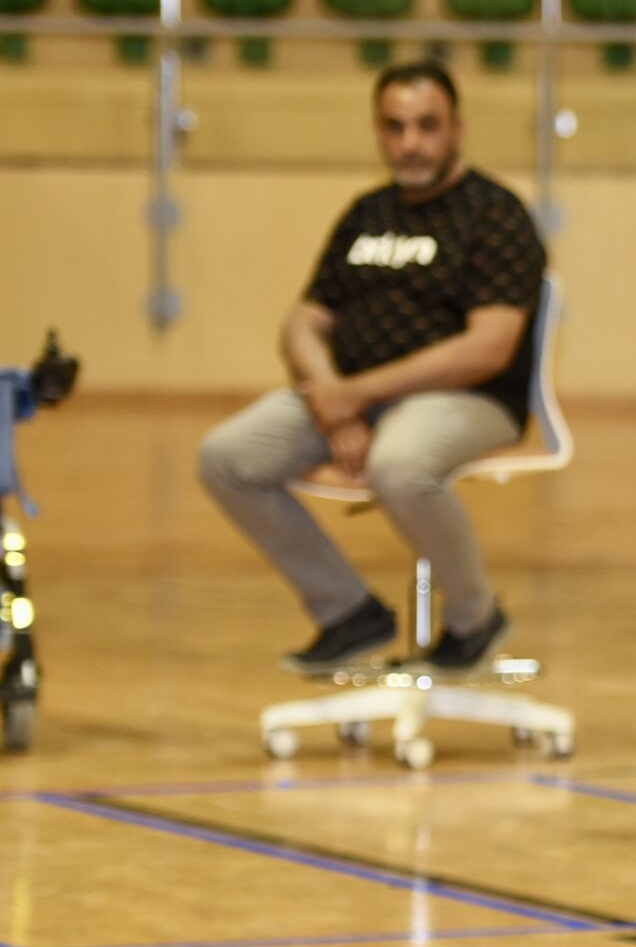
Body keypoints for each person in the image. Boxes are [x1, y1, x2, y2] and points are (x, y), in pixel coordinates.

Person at [198, 61, 545, 675]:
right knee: (227, 457)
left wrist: (352, 396)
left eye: (427, 126)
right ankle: (347, 610)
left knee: (399, 466)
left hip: (465, 398)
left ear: (457, 130)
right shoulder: (367, 213)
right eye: (394, 127)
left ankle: (474, 617)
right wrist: (331, 400)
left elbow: (486, 348)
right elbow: (302, 323)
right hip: (351, 396)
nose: (410, 142)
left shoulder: (496, 214)